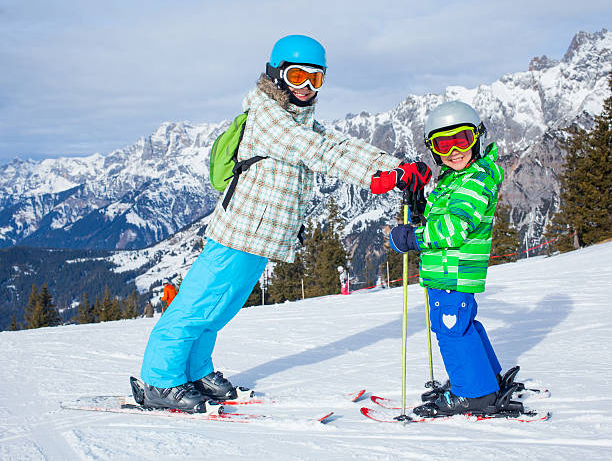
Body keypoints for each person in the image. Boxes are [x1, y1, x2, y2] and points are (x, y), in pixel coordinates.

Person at [137, 34, 432, 412]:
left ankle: (195, 370)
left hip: (261, 237)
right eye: (297, 77)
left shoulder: (296, 118)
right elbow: (315, 151)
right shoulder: (268, 117)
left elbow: (340, 144)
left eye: (316, 79)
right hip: (237, 232)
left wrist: (396, 167)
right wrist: (376, 179)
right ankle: (160, 380)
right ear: (276, 76)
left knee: (219, 309)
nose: (307, 88)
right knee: (197, 304)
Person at [389, 101, 506, 417]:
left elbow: (454, 228)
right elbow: (442, 214)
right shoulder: (455, 178)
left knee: (451, 328)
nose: (454, 150)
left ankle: (474, 394)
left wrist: (414, 238)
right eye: (443, 143)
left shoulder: (474, 180)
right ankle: (487, 378)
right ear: (433, 148)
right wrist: (419, 205)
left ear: (476, 138)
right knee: (465, 324)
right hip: (448, 269)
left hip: (453, 269)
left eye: (462, 140)